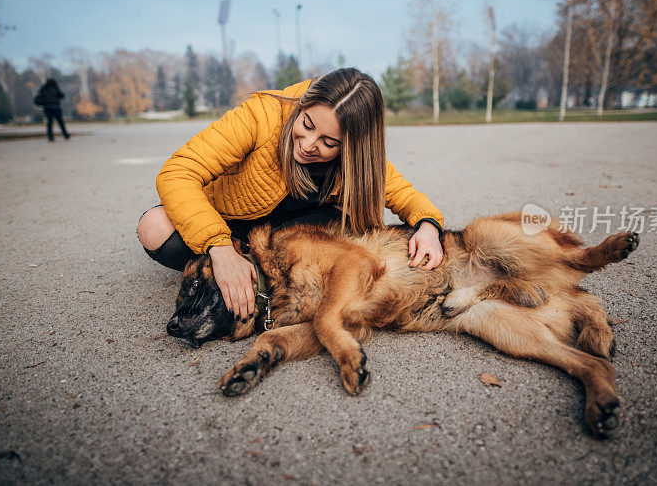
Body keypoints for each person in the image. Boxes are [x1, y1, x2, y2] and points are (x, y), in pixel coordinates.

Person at [137, 68, 445, 323]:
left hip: (294, 234)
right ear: (301, 106)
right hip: (229, 225)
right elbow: (178, 171)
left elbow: (405, 195)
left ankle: (270, 281)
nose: (309, 144)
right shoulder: (261, 115)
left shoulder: (359, 161)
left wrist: (429, 226)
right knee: (153, 227)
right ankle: (241, 267)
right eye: (306, 124)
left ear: (353, 148)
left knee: (353, 232)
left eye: (328, 142)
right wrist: (219, 249)